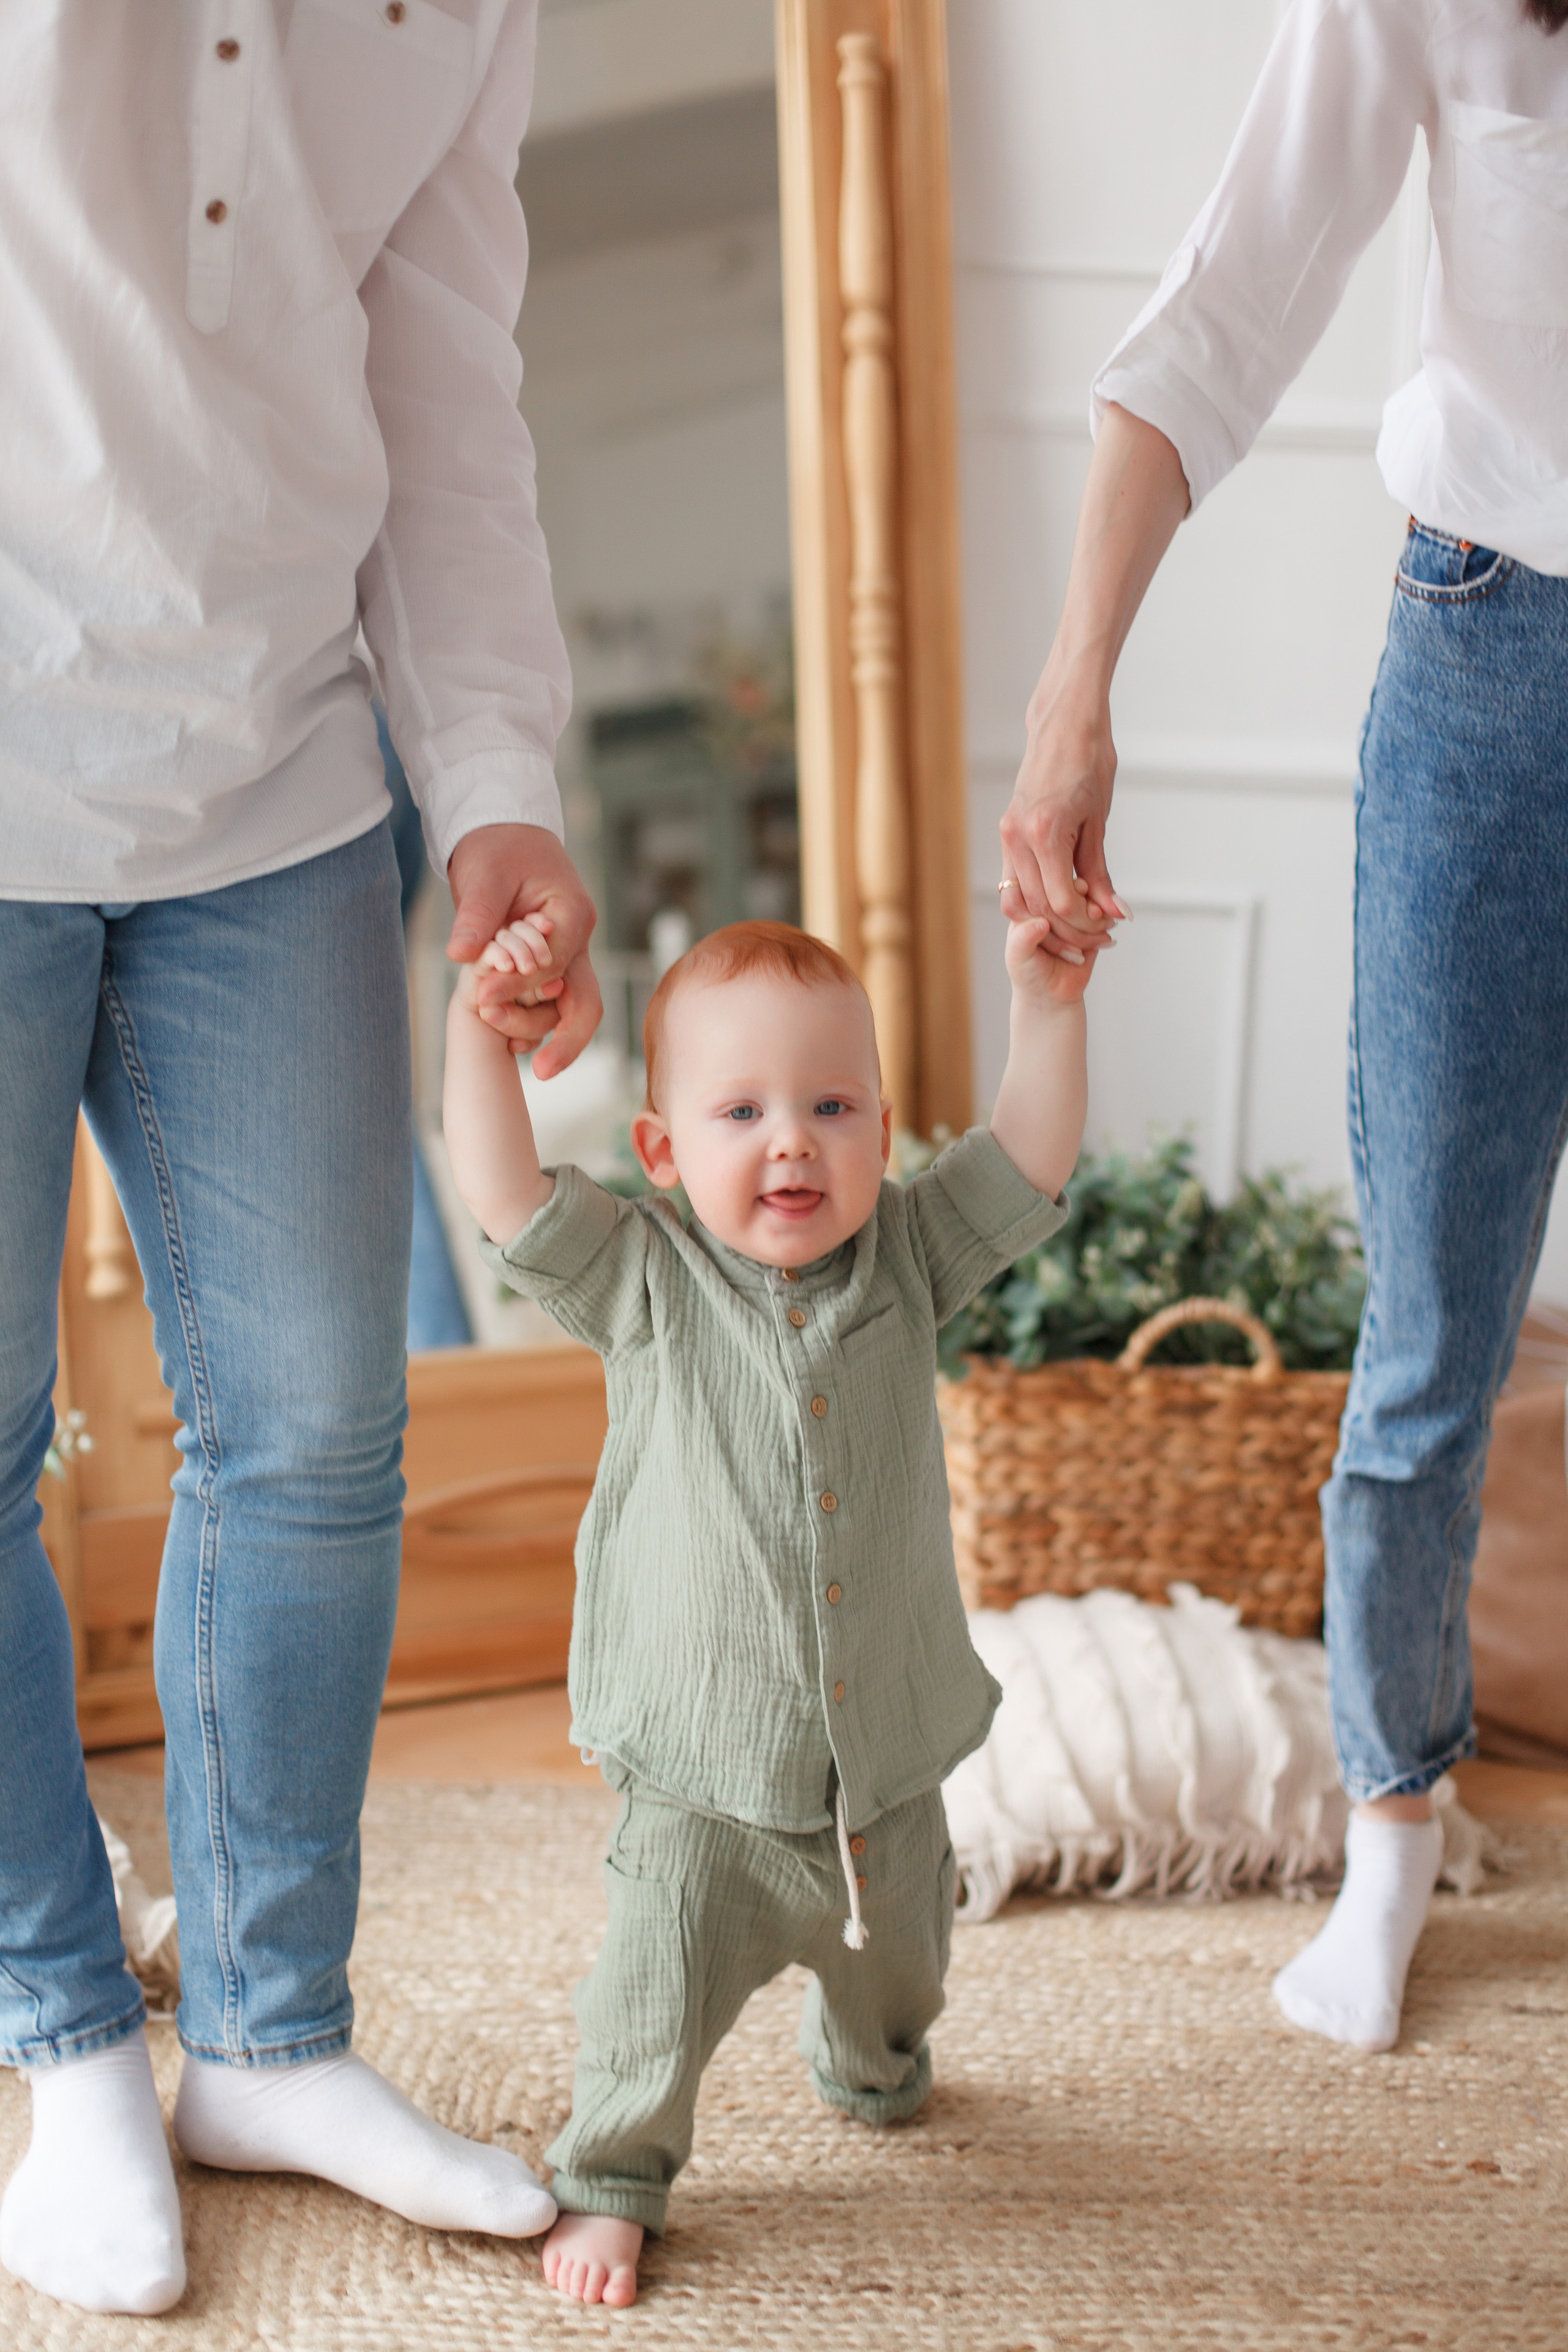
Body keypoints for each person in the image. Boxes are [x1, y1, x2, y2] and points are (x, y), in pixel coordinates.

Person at [0, 0, 597, 2316]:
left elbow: (445, 382)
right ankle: (69, 2038)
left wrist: (502, 779)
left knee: (324, 1434)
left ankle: (265, 2034)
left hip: (277, 786)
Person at [1000, 0, 1568, 2054]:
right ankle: (1391, 1822)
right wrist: (1075, 697)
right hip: (1496, 666)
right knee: (1432, 1326)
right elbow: (1222, 307)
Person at [440, 908, 1102, 2306]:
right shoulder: (643, 1279)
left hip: (883, 1781)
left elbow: (1030, 1157)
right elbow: (503, 1195)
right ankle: (615, 2177)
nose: (791, 1139)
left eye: (830, 1105)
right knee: (649, 2001)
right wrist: (477, 1039)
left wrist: (1047, 1004)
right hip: (704, 1785)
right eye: (740, 1110)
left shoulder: (910, 1260)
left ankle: (868, 2055)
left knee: (904, 1978)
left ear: (878, 1131)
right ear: (665, 1154)